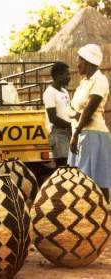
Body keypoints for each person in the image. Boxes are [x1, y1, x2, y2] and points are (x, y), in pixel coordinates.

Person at [68, 44, 111, 203]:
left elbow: (90, 108)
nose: (77, 64)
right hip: (80, 134)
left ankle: (103, 216)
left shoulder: (100, 80)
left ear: (86, 61)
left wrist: (76, 133)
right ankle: (88, 218)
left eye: (79, 60)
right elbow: (77, 110)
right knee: (80, 181)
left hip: (92, 134)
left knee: (98, 181)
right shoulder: (84, 83)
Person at [43, 62, 72, 167]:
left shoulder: (64, 91)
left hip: (68, 132)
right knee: (63, 167)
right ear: (58, 76)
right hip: (57, 133)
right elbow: (53, 118)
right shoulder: (49, 92)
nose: (69, 77)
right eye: (67, 74)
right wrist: (70, 125)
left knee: (71, 165)